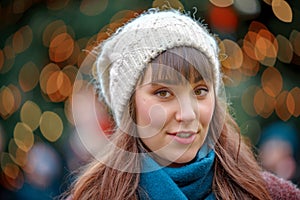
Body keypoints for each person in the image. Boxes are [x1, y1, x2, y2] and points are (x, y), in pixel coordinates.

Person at [66, 8, 300, 200]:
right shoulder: (94, 196)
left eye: (200, 91)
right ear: (131, 108)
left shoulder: (269, 195)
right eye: (164, 93)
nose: (188, 114)